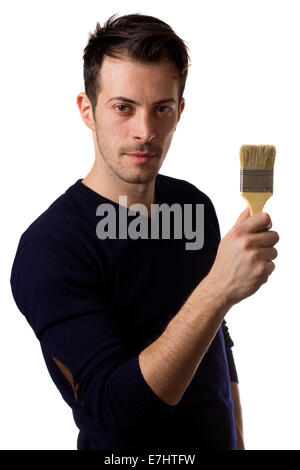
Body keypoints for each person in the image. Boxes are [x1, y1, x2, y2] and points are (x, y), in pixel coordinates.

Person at [10, 13, 279, 451]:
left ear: (180, 111)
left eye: (162, 109)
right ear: (87, 110)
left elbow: (217, 343)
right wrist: (217, 289)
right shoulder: (51, 249)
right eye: (123, 107)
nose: (145, 132)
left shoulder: (193, 206)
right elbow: (116, 414)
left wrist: (238, 440)